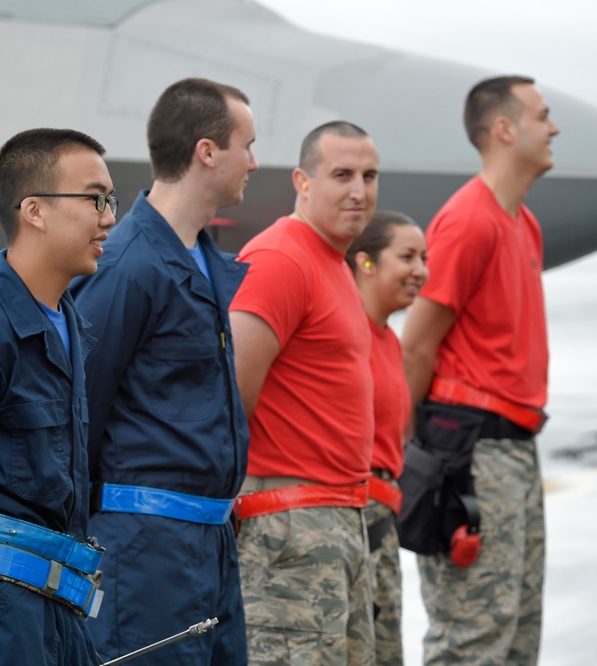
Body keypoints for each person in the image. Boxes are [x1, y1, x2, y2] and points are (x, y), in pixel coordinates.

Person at [69, 77, 257, 665]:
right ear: (207, 152)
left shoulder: (203, 262)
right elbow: (78, 410)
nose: (254, 160)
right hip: (145, 557)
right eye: (246, 144)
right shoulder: (126, 266)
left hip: (211, 546)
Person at [401, 75, 560, 665]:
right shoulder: (470, 220)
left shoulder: (523, 222)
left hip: (516, 447)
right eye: (543, 115)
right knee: (472, 639)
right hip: (471, 450)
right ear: (504, 129)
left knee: (517, 634)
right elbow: (416, 345)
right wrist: (399, 454)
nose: (554, 127)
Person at [0, 128, 116, 665]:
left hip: (58, 607)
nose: (108, 218)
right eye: (94, 200)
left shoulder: (66, 324)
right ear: (34, 210)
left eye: (110, 201)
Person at [229, 120, 379, 665]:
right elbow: (231, 397)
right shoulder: (282, 259)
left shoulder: (331, 263)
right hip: (291, 529)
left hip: (338, 519)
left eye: (369, 175)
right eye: (341, 174)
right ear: (303, 181)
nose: (359, 190)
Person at [345, 210, 429, 665]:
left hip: (383, 524)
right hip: (355, 525)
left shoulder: (386, 339)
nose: (421, 270)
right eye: (407, 256)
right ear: (366, 263)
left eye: (424, 258)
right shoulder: (345, 333)